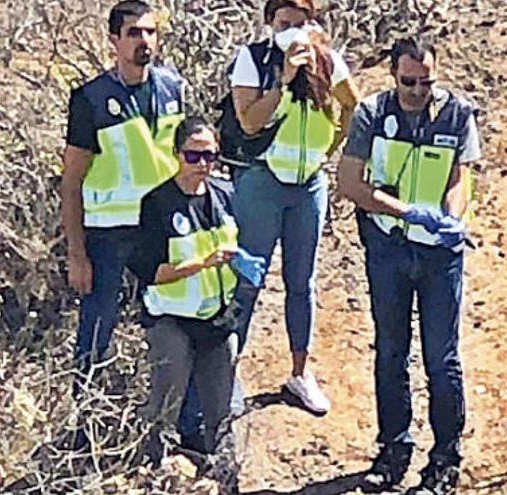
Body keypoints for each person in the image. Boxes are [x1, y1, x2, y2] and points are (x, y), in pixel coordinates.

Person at [337, 37, 482, 495]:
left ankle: (445, 459)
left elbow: (461, 175)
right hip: (390, 247)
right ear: (392, 75)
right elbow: (349, 183)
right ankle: (393, 448)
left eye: (426, 81)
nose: (418, 90)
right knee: (391, 351)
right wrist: (406, 212)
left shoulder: (457, 114)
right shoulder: (372, 115)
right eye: (409, 82)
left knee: (442, 359)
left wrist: (451, 218)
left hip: (440, 255)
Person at [217, 0, 359, 414]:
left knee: (302, 281)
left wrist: (329, 149)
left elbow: (352, 104)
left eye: (301, 22)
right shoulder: (253, 60)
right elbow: (248, 121)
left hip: (307, 184)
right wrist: (284, 79)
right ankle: (226, 373)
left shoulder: (329, 62)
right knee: (248, 277)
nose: (293, 31)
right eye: (284, 23)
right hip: (262, 180)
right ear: (269, 24)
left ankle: (300, 372)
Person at [59, 0, 190, 447]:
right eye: (134, 33)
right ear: (113, 39)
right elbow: (72, 181)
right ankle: (85, 430)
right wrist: (76, 254)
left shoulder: (173, 87)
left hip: (160, 233)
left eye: (151, 32)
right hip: (109, 237)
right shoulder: (91, 99)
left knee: (172, 325)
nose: (144, 41)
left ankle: (165, 430)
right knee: (97, 330)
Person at [128, 117, 266, 482]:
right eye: (194, 156)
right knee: (164, 410)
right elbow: (148, 271)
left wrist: (243, 267)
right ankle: (152, 477)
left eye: (211, 157)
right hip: (172, 322)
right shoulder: (157, 203)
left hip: (218, 322)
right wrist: (199, 264)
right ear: (177, 154)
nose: (203, 165)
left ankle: (226, 481)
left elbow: (233, 247)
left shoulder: (224, 196)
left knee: (220, 415)